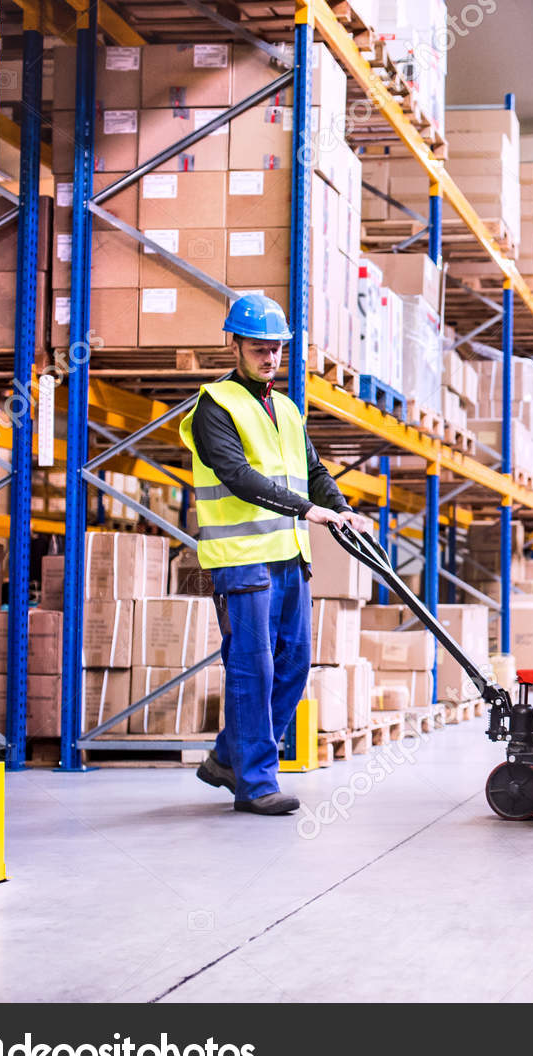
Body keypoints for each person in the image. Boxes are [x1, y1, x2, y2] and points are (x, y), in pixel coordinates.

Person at [178, 294, 375, 815]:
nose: (270, 358)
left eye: (277, 350)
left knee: (294, 663)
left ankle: (227, 757)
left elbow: (313, 471)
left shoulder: (286, 408)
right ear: (235, 345)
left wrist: (340, 508)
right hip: (241, 560)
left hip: (289, 557)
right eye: (261, 349)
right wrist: (309, 511)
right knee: (253, 669)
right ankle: (256, 783)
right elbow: (238, 477)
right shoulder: (213, 407)